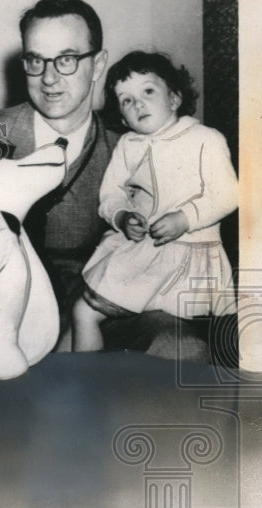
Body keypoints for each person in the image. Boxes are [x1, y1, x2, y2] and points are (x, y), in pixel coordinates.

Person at [0, 0, 116, 342]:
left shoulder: (128, 151)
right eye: (36, 60)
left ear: (99, 63)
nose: (48, 78)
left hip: (95, 316)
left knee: (175, 343)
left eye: (66, 60)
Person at [72, 51, 238, 351]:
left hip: (190, 257)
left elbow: (228, 193)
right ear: (122, 116)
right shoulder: (127, 144)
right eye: (126, 100)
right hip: (141, 255)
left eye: (148, 91)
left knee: (178, 340)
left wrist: (185, 218)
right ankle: (79, 382)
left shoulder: (205, 138)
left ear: (174, 98)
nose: (138, 103)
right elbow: (110, 194)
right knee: (83, 312)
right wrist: (122, 216)